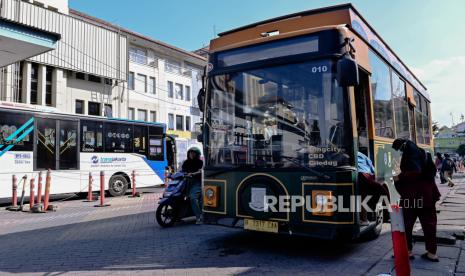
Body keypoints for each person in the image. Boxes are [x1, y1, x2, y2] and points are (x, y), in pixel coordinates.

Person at [392, 138, 441, 262]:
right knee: (429, 225)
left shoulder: (410, 161)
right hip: (428, 197)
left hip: (412, 197)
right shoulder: (424, 155)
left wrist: (399, 177)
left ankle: (407, 251)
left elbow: (414, 173)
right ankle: (432, 253)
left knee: (406, 224)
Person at [357, 152, 388, 226]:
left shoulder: (346, 153)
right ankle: (365, 218)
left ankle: (364, 219)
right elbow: (372, 169)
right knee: (364, 197)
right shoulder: (362, 154)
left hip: (362, 176)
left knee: (362, 197)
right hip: (367, 176)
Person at [182, 147, 204, 224]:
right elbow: (182, 171)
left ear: (197, 154)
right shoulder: (186, 162)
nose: (191, 154)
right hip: (186, 183)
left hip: (197, 183)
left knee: (193, 198)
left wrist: (193, 174)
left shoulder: (200, 162)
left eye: (193, 153)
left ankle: (199, 217)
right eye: (190, 152)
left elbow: (201, 171)